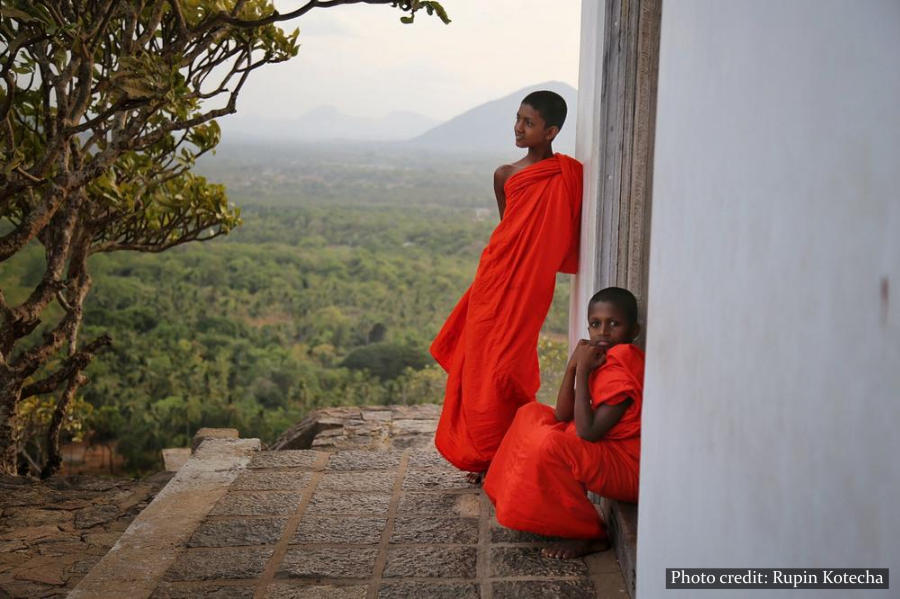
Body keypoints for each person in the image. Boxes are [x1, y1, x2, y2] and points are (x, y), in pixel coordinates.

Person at [430, 90, 583, 479]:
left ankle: (506, 445)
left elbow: (554, 232)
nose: (518, 128)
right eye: (517, 118)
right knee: (481, 365)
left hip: (530, 286)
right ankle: (483, 450)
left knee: (509, 368)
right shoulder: (505, 175)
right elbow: (508, 231)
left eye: (528, 123)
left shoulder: (568, 174)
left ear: (550, 132)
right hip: (495, 280)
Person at [483, 287, 645, 559]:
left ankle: (586, 534)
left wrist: (582, 372)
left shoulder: (624, 365)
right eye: (596, 324)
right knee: (531, 414)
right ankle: (517, 498)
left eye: (614, 324)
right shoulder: (604, 358)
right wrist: (572, 366)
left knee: (551, 444)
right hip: (610, 451)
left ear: (634, 330)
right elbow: (561, 413)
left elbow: (588, 432)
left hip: (632, 471)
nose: (603, 332)